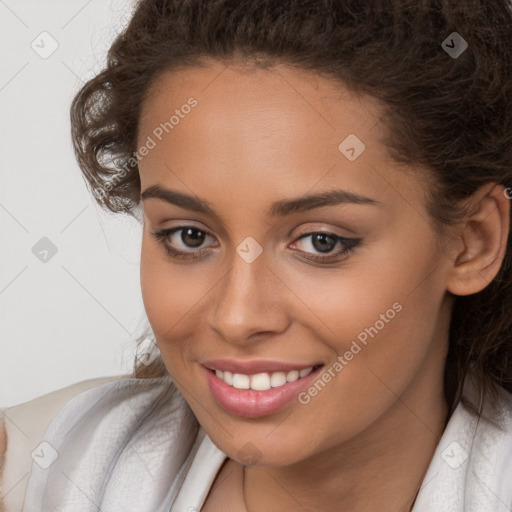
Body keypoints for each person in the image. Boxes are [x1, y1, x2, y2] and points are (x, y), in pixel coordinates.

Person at [2, 0, 512, 510]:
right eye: (190, 236)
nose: (237, 317)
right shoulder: (32, 471)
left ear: (473, 242)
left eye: (321, 241)